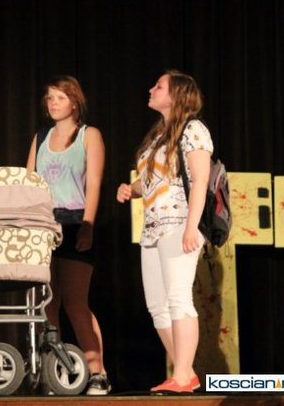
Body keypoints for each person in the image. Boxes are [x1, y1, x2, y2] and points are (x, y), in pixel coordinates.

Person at [116, 70, 213, 393]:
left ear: (177, 95)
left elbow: (200, 179)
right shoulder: (158, 134)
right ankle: (187, 373)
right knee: (157, 305)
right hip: (153, 228)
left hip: (180, 222)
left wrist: (191, 227)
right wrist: (131, 189)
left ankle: (182, 375)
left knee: (178, 298)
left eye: (159, 86)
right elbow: (154, 181)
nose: (151, 89)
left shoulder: (193, 129)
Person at [26, 75, 111, 395]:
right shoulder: (41, 136)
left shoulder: (90, 135)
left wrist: (88, 225)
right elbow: (29, 181)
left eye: (60, 97)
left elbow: (95, 183)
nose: (53, 103)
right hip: (43, 224)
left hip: (75, 221)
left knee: (76, 303)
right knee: (48, 303)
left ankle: (98, 372)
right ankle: (55, 373)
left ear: (75, 102)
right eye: (49, 98)